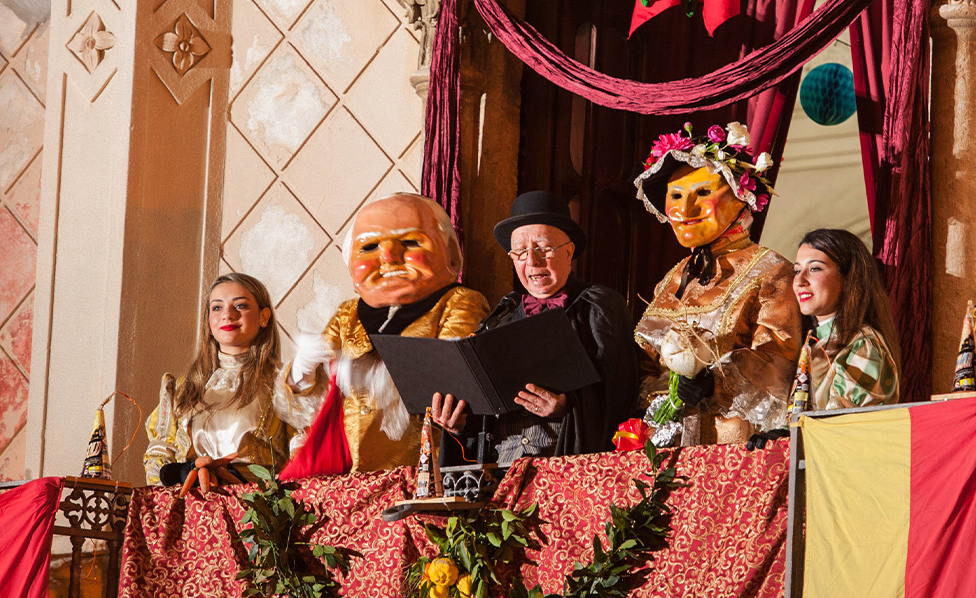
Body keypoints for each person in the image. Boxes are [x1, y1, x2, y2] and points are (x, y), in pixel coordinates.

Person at [277, 193, 489, 472]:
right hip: (347, 476)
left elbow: (451, 382)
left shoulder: (459, 303)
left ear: (450, 253)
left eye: (410, 242)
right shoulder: (348, 314)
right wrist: (302, 373)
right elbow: (313, 406)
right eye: (370, 247)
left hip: (419, 473)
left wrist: (373, 377)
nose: (388, 257)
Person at [432, 191, 639, 466]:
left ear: (569, 252)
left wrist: (568, 407)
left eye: (543, 248)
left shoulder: (599, 308)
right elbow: (483, 419)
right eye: (520, 252)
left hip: (566, 470)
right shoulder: (500, 319)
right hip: (501, 473)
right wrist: (459, 425)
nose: (532, 261)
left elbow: (621, 394)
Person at [633, 121, 802, 447]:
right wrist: (664, 394)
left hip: (731, 445)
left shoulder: (772, 271)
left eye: (703, 193)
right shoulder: (671, 279)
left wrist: (716, 383)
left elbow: (780, 362)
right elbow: (645, 366)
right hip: (665, 444)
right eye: (676, 196)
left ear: (740, 196)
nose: (685, 209)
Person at [144, 273, 294, 495]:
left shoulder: (286, 382)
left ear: (264, 317)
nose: (228, 315)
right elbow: (158, 454)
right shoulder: (181, 389)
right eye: (217, 308)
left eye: (240, 306)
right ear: (208, 320)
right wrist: (181, 473)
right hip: (193, 505)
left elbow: (304, 456)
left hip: (259, 507)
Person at [787, 227, 901, 414]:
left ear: (848, 279)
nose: (800, 280)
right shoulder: (810, 342)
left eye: (814, 268)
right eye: (797, 270)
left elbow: (841, 424)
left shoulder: (862, 345)